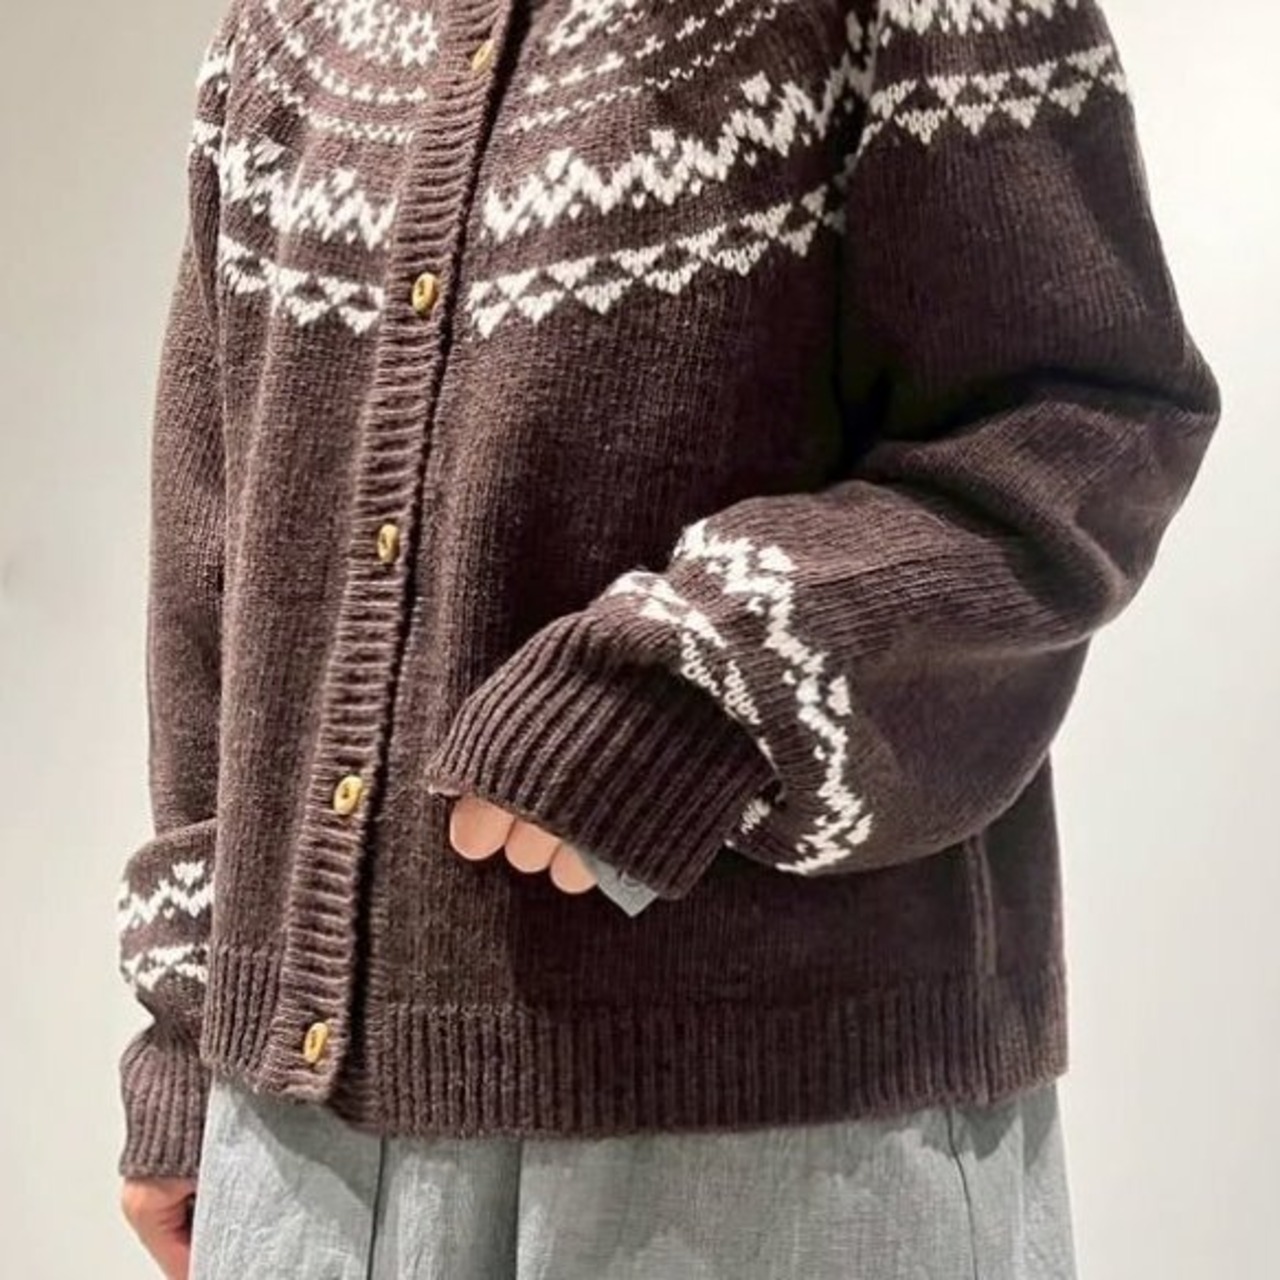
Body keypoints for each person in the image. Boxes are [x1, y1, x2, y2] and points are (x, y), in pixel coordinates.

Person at [114, 0, 1220, 1276]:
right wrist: (185, 1033)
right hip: (295, 1147)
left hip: (770, 1129)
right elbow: (216, 571)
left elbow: (1087, 422)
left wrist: (702, 680)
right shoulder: (287, 34)